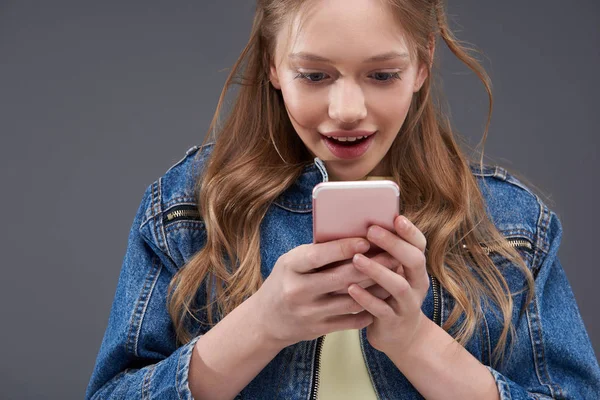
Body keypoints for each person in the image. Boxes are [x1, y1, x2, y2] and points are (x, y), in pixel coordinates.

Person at [85, 0, 600, 399]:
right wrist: (262, 325)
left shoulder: (509, 225)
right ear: (272, 65)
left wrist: (413, 340)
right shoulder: (188, 210)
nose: (347, 110)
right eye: (314, 75)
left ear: (423, 65)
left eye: (382, 74)